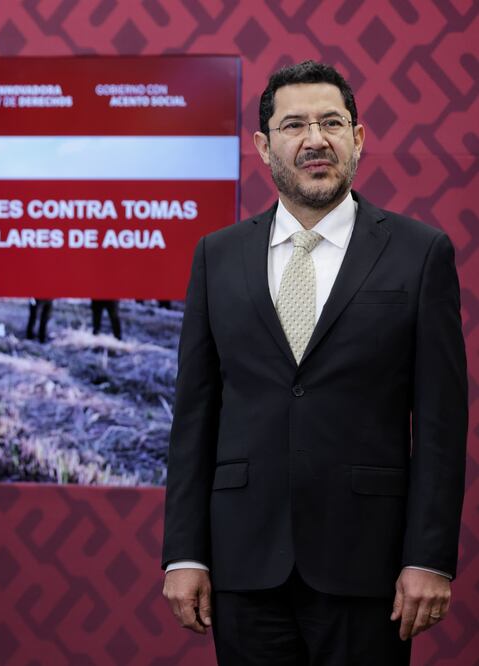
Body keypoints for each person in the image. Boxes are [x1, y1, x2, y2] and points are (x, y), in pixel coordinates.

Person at [161, 60, 467, 666]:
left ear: (358, 137)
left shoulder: (419, 253)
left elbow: (440, 424)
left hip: (368, 567)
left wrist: (427, 556)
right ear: (263, 144)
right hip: (243, 564)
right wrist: (185, 554)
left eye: (332, 122)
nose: (315, 139)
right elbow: (195, 416)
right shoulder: (215, 256)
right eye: (294, 124)